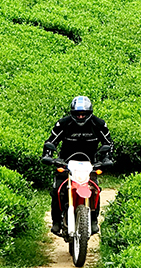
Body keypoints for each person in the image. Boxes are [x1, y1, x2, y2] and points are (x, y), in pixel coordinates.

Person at [43, 96, 114, 236]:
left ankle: (93, 219)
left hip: (89, 164)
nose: (80, 117)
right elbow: (51, 142)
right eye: (77, 114)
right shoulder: (63, 124)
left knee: (95, 188)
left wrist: (107, 158)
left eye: (83, 114)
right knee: (57, 189)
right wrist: (48, 156)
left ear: (90, 113)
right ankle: (56, 221)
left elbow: (108, 143)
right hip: (66, 163)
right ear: (72, 113)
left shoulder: (98, 124)